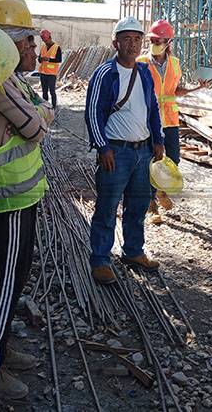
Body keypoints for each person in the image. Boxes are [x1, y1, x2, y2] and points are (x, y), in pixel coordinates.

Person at [0, 0, 52, 399]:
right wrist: (38, 118)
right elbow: (36, 126)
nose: (35, 50)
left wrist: (38, 115)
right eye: (28, 42)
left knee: (2, 279)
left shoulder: (8, 80)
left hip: (16, 197)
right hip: (7, 200)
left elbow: (38, 114)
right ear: (7, 43)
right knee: (1, 282)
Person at [85, 16, 165, 285]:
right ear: (115, 42)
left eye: (137, 39)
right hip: (116, 153)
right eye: (127, 39)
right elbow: (93, 113)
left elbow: (152, 108)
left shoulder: (143, 72)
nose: (133, 44)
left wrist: (158, 140)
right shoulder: (105, 74)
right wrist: (102, 146)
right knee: (107, 207)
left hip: (143, 152)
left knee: (138, 206)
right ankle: (100, 260)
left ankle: (133, 251)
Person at [136, 19, 209, 224]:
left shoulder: (175, 63)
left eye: (160, 40)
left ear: (168, 42)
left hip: (169, 120)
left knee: (173, 160)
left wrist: (196, 88)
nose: (155, 42)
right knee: (151, 161)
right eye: (153, 39)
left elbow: (175, 90)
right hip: (149, 121)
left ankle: (160, 190)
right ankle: (151, 204)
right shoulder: (141, 62)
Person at [38, 29, 61, 107]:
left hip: (51, 74)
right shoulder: (43, 47)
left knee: (52, 91)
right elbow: (39, 59)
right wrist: (41, 59)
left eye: (46, 40)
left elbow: (59, 59)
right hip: (43, 73)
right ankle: (46, 106)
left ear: (50, 38)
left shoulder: (57, 47)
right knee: (44, 91)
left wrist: (48, 59)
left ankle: (54, 107)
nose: (45, 42)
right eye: (44, 41)